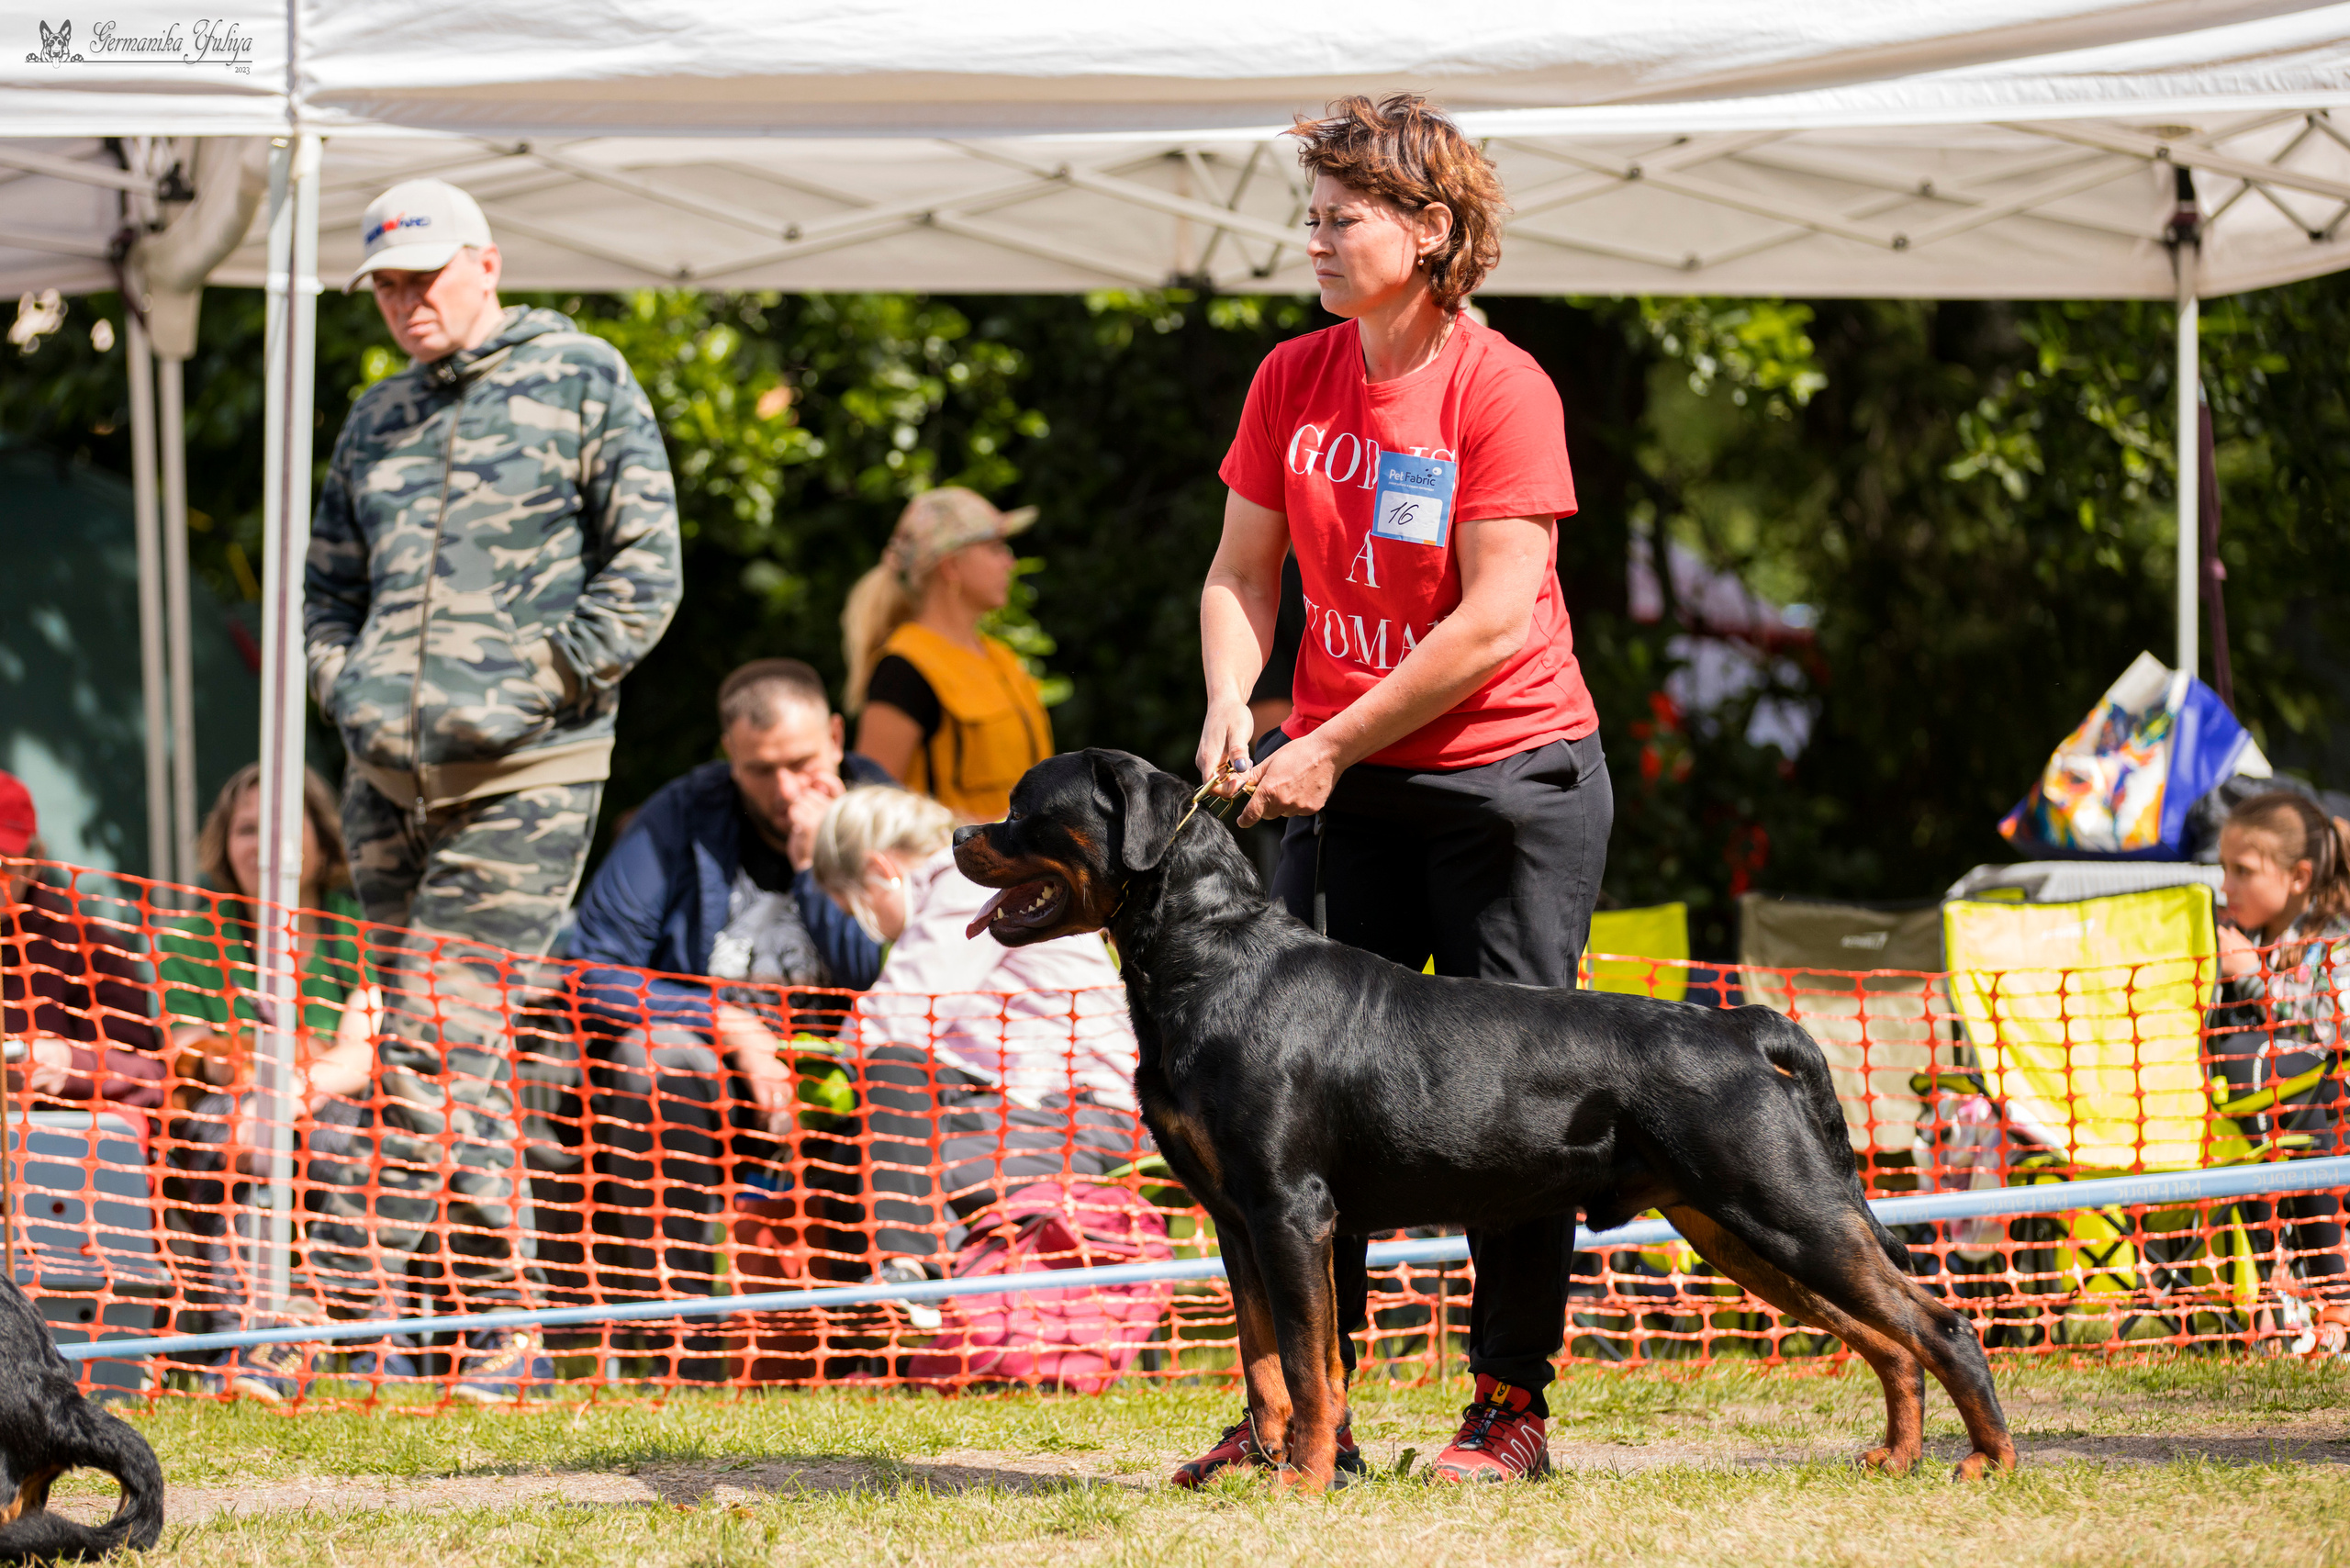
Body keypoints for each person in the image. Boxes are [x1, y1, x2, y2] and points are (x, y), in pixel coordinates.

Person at [1191, 94, 1610, 1484]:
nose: (1313, 238)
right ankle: (1313, 1420)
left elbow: (1496, 617)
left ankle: (1510, 1405)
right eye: (1308, 215)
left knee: (1516, 1095)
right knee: (1310, 1103)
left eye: (1341, 216)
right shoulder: (1289, 379)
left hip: (1511, 785)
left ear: (1432, 232)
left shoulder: (1504, 388)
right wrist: (1227, 707)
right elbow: (1243, 574)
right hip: (1341, 779)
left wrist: (1329, 739)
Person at [303, 177, 684, 1394]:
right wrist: (344, 687)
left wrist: (542, 686)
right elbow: (326, 591)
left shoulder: (583, 375)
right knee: (448, 1053)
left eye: (424, 276)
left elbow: (648, 567)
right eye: (386, 287)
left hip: (527, 771)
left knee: (424, 1036)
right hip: (381, 781)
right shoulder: (375, 417)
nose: (406, 303)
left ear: (487, 262)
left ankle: (326, 1316)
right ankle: (512, 1331)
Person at [560, 660, 891, 1341]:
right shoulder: (681, 816)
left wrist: (815, 861)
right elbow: (588, 966)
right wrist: (722, 1020)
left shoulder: (882, 812)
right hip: (710, 1073)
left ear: (836, 736)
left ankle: (873, 1333)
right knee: (656, 1057)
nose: (782, 789)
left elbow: (881, 973)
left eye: (800, 763)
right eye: (758, 771)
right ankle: (678, 1332)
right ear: (730, 759)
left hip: (851, 1068)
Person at [805, 786, 1143, 1282]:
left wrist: (811, 1073)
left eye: (857, 910)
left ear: (881, 871)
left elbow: (896, 1020)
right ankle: (905, 1312)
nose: (868, 930)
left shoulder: (964, 886)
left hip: (1096, 1114)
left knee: (880, 1165)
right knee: (877, 1154)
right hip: (1035, 1107)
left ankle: (913, 1294)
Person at [152, 765, 384, 1402]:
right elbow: (190, 1048)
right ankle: (240, 1339)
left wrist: (294, 1092)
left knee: (347, 1140)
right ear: (224, 843)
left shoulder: (353, 927)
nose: (265, 846)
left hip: (331, 1102)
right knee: (241, 1136)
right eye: (248, 829)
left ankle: (366, 1342)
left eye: (283, 827)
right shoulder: (197, 934)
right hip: (226, 1111)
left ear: (319, 836)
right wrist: (253, 1078)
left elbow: (362, 1050)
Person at [2211, 789, 2350, 1297]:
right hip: (2263, 1133)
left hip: (2334, 1118)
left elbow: (2334, 1025)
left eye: (2243, 871)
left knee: (2262, 1065)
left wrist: (2253, 978)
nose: (2227, 886)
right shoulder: (2239, 937)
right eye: (2224, 870)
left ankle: (2332, 1291)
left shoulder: (2333, 941)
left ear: (2300, 878)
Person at [843, 487, 1053, 823]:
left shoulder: (1002, 658)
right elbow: (869, 809)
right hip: (950, 871)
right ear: (951, 566)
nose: (1009, 562)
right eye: (994, 547)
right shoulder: (905, 668)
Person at [0, 769, 165, 1114]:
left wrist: (69, 1065)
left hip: (45, 1154)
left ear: (33, 861)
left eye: (3, 863)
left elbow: (148, 1076)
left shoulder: (89, 950)